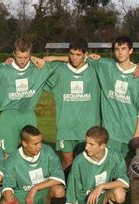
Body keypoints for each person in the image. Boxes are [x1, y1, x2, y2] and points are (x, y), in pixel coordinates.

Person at [43, 39, 101, 172]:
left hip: (88, 129)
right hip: (65, 128)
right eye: (72, 54)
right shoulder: (59, 71)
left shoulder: (95, 70)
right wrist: (51, 58)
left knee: (87, 165)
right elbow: (42, 62)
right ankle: (67, 192)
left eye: (78, 55)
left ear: (86, 54)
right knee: (68, 165)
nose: (74, 58)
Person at [0, 125, 66, 204]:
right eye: (35, 144)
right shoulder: (13, 159)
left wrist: (36, 187)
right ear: (24, 143)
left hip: (44, 195)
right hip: (23, 196)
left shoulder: (47, 152)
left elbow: (59, 178)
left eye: (40, 142)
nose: (39, 146)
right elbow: (7, 188)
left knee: (59, 190)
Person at [0, 38, 58, 155]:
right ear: (14, 54)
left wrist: (47, 59)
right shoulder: (2, 70)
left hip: (28, 115)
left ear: (30, 55)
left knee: (32, 153)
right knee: (6, 155)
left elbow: (72, 64)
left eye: (26, 57)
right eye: (19, 57)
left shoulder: (39, 69)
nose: (22, 61)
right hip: (8, 117)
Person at [87, 36, 139, 158]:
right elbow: (78, 58)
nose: (120, 52)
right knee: (109, 167)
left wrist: (137, 132)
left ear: (130, 50)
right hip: (110, 131)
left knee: (126, 170)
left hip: (129, 132)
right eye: (117, 49)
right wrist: (50, 58)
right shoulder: (106, 65)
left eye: (123, 49)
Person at [66, 126, 129, 204]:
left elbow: (125, 181)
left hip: (103, 198)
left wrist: (101, 186)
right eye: (86, 143)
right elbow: (71, 192)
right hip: (83, 201)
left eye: (91, 144)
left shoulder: (114, 156)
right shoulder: (79, 161)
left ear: (102, 146)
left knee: (120, 193)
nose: (86, 147)